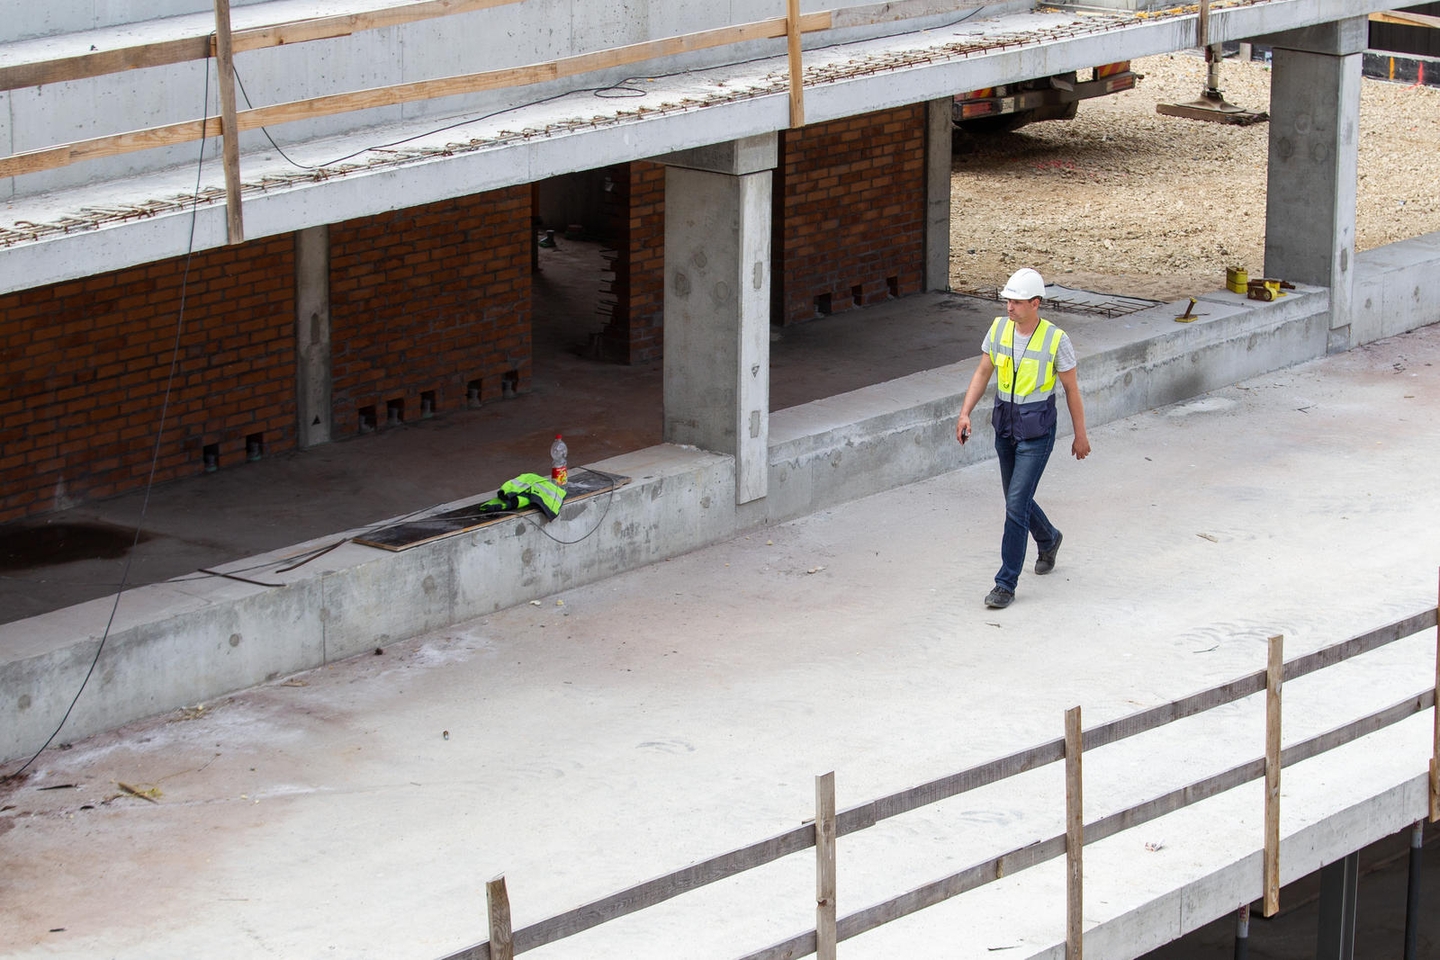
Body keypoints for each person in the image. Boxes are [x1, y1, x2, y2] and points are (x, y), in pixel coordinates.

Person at [955, 267, 1090, 609]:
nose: (1009, 308)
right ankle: (1049, 538)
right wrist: (965, 412)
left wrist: (1080, 435)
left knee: (1015, 505)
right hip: (1005, 430)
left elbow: (1072, 390)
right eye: (1007, 301)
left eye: (1015, 302)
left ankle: (1005, 584)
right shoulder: (999, 329)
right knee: (1018, 501)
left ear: (1035, 303)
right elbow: (984, 371)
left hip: (1036, 434)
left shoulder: (1056, 340)